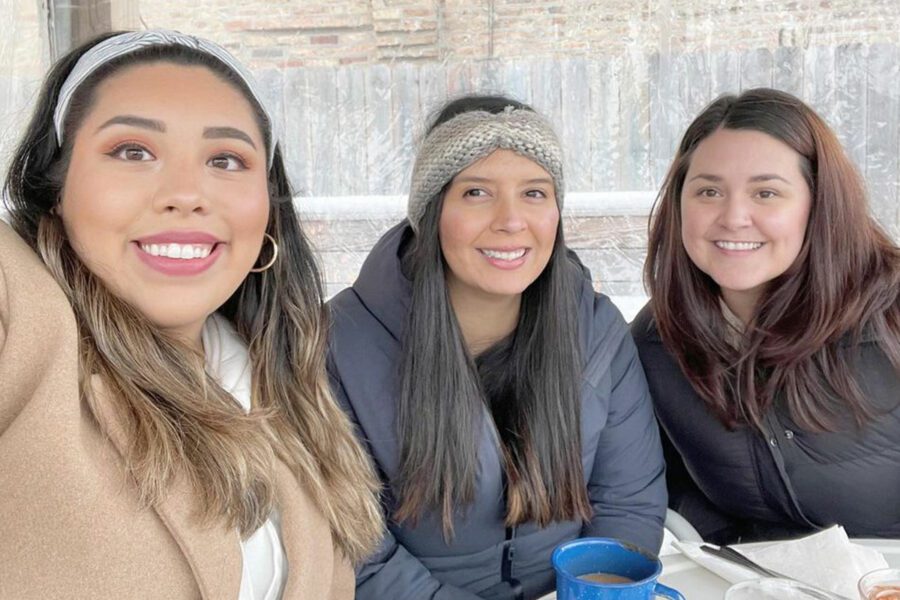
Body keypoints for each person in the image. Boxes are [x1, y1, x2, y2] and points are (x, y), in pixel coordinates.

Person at [0, 30, 382, 599]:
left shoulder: (287, 387)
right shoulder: (21, 311)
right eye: (132, 152)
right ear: (55, 188)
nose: (186, 193)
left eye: (226, 160)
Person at [327, 95, 667, 600]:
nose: (511, 220)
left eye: (534, 193)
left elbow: (628, 503)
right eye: (477, 192)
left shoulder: (596, 329)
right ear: (430, 211)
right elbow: (357, 549)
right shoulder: (338, 345)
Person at [631, 88, 900, 544]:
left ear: (819, 203)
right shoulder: (658, 340)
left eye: (766, 192)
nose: (734, 217)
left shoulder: (889, 312)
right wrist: (739, 551)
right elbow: (664, 485)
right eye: (709, 191)